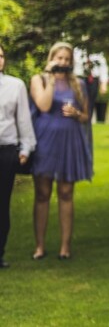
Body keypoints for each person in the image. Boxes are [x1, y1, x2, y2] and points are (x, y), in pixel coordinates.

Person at [29, 42, 92, 260]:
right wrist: (51, 78)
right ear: (52, 58)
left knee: (66, 193)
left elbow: (86, 117)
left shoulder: (79, 84)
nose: (63, 62)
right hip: (46, 141)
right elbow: (44, 106)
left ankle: (65, 247)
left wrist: (76, 113)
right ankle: (40, 246)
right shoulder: (39, 79)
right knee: (42, 193)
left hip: (69, 141)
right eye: (60, 58)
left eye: (67, 59)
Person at [0, 43, 36, 269]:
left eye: (1, 55)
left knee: (2, 204)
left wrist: (25, 149)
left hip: (6, 151)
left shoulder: (15, 86)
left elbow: (23, 119)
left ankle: (0, 252)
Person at [74, 47, 109, 123]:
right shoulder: (76, 49)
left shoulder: (98, 52)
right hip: (78, 79)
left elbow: (103, 67)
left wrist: (103, 83)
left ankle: (87, 126)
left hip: (92, 81)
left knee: (89, 106)